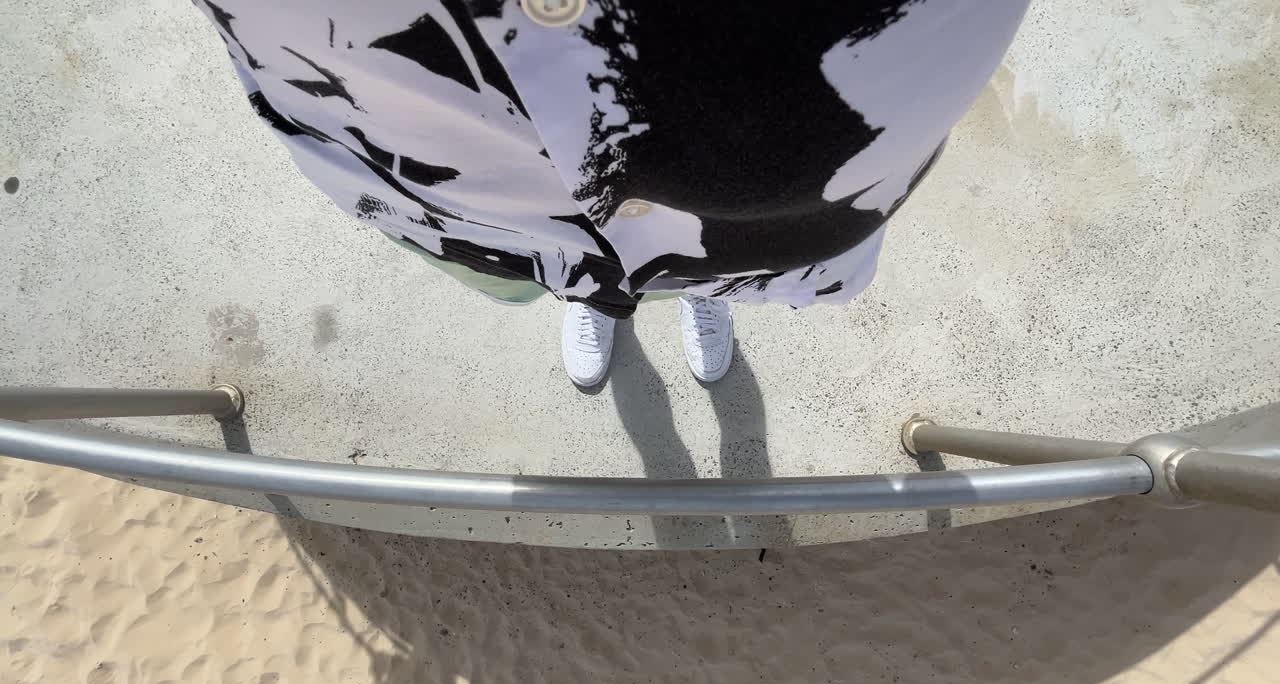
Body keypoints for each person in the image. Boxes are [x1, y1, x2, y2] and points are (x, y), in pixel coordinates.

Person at [195, 0, 1029, 386]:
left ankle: (697, 291)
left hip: (773, 212)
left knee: (708, 250)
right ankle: (592, 289)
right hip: (458, 189)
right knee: (548, 262)